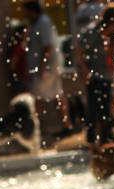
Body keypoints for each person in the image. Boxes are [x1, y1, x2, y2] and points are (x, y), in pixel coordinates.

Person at [75, 4, 114, 145]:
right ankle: (92, 138)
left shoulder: (112, 36)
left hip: (106, 75)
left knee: (105, 108)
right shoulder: (93, 32)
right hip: (94, 75)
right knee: (94, 108)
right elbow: (78, 49)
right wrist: (84, 70)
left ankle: (106, 136)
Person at [23, 1, 74, 137]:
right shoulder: (38, 24)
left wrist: (42, 66)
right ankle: (66, 125)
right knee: (56, 94)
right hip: (48, 67)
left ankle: (36, 129)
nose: (26, 15)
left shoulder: (43, 22)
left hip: (47, 68)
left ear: (33, 11)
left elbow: (48, 46)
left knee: (37, 96)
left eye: (27, 12)